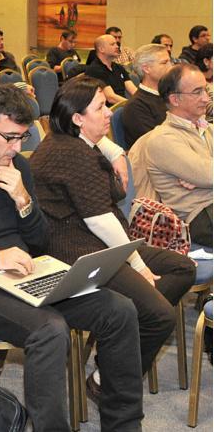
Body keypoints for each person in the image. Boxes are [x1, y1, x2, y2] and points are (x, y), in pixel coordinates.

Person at [0, 83, 144, 432]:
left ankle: (124, 426)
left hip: (23, 273)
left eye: (23, 137)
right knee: (50, 330)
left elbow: (39, 240)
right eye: (10, 138)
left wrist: (24, 202)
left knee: (119, 310)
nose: (18, 148)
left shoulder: (18, 168)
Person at [30, 75, 195, 386]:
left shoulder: (75, 141)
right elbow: (99, 219)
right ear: (77, 118)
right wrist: (139, 266)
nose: (110, 112)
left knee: (181, 267)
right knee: (160, 315)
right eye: (101, 107)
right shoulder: (71, 153)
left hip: (98, 241)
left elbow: (101, 217)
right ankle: (109, 380)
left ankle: (117, 344)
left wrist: (113, 149)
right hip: (74, 251)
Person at [143, 64, 212, 247]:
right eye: (197, 92)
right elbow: (208, 174)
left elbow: (206, 175)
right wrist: (203, 174)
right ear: (175, 99)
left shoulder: (206, 128)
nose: (206, 98)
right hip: (200, 216)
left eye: (205, 90)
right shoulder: (163, 139)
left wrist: (201, 175)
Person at [121, 43, 172, 148]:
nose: (171, 67)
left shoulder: (170, 96)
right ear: (146, 68)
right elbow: (155, 145)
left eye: (170, 61)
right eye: (164, 63)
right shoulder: (136, 106)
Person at [85, 34, 136, 105]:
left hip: (122, 106)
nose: (117, 46)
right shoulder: (95, 70)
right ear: (101, 49)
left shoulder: (119, 68)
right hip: (108, 110)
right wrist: (133, 105)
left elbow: (133, 90)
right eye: (112, 44)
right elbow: (111, 98)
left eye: (116, 44)